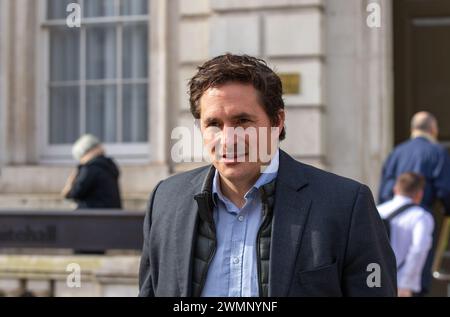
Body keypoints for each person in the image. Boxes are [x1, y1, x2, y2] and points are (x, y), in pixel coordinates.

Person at [139, 54, 396, 297]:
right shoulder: (165, 200)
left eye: (242, 121)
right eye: (214, 124)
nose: (228, 139)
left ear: (277, 122)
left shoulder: (346, 204)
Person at [378, 111, 450, 295]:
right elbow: (445, 190)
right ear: (433, 129)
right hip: (419, 218)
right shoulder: (437, 152)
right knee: (416, 277)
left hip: (390, 221)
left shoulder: (396, 152)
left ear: (412, 129)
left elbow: (384, 189)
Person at [377, 173, 434, 297]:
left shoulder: (377, 210)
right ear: (420, 194)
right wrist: (405, 283)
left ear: (395, 189)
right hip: (401, 284)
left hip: (376, 279)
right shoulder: (421, 216)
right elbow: (418, 250)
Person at [61, 134, 122, 209]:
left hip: (92, 216)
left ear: (86, 152)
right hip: (112, 216)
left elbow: (75, 193)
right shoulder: (108, 165)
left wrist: (71, 181)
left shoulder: (90, 168)